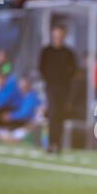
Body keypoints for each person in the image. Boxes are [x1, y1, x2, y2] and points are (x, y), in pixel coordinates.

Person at [39, 24, 77, 153]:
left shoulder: (68, 53)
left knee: (60, 115)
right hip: (51, 87)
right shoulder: (47, 51)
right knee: (53, 113)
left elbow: (73, 70)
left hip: (64, 88)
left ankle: (57, 143)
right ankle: (51, 142)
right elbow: (41, 68)